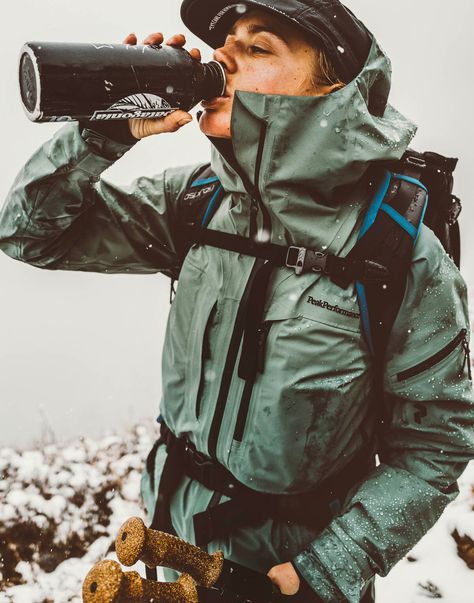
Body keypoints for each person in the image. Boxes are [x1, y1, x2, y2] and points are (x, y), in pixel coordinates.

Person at [1, 1, 473, 601]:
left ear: (334, 89)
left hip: (286, 575)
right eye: (225, 43)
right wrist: (105, 129)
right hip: (171, 542)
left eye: (258, 47)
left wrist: (326, 570)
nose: (221, 58)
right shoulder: (199, 202)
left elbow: (434, 445)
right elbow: (30, 233)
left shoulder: (398, 252)